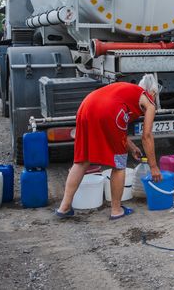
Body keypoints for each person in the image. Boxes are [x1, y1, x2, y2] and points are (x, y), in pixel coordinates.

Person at [56, 74, 162, 220]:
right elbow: (147, 136)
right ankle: (116, 210)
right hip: (109, 110)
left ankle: (64, 207)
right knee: (119, 165)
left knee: (82, 160)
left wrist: (131, 147)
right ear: (153, 93)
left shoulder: (126, 89)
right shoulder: (149, 102)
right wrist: (154, 166)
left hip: (86, 107)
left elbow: (116, 125)